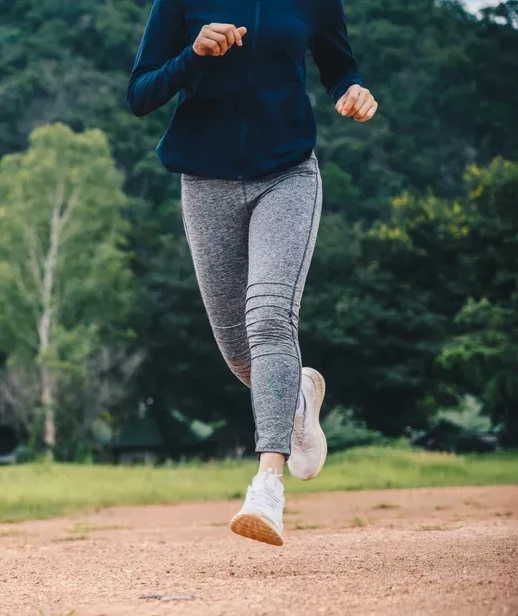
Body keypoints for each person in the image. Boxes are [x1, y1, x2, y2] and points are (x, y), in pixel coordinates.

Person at [127, 0, 377, 546]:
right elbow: (141, 93)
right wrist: (193, 54)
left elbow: (341, 70)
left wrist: (352, 93)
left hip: (287, 174)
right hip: (205, 182)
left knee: (268, 317)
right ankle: (300, 398)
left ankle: (267, 485)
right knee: (238, 350)